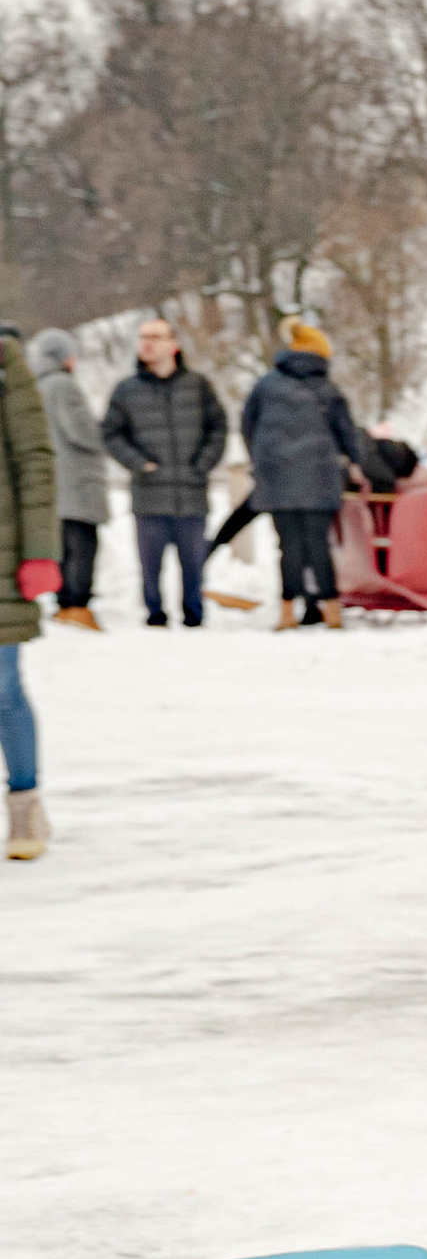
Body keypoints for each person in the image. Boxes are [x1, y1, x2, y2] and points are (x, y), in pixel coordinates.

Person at [101, 318, 229, 630]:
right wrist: (138, 463)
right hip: (149, 494)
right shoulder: (126, 390)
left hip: (191, 492)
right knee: (150, 566)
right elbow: (111, 434)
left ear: (173, 344)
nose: (147, 343)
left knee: (194, 564)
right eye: (143, 336)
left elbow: (218, 428)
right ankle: (154, 615)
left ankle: (194, 616)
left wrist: (202, 465)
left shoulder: (198, 386)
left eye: (155, 337)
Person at [240, 322, 370, 629]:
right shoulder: (326, 389)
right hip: (319, 477)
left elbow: (247, 425)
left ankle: (287, 612)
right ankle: (331, 610)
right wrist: (357, 463)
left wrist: (260, 459)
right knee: (319, 545)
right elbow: (347, 432)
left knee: (288, 546)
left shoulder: (265, 386)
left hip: (276, 477)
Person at [0, 331, 60, 857]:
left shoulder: (4, 361)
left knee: (2, 685)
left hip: (2, 552)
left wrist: (40, 551)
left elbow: (35, 462)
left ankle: (25, 806)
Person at [25, 334, 109, 631]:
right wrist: (104, 434)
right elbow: (81, 431)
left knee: (63, 546)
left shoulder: (36, 384)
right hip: (77, 480)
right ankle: (77, 606)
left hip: (55, 480)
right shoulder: (64, 385)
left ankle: (64, 604)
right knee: (83, 544)